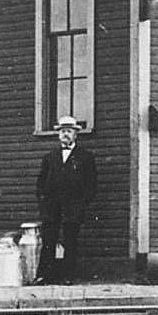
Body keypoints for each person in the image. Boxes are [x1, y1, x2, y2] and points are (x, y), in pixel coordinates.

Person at [35, 115, 97, 284]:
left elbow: (91, 185)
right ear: (58, 135)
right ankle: (44, 275)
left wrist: (81, 204)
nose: (65, 135)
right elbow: (40, 183)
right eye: (63, 131)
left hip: (73, 206)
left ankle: (68, 276)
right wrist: (44, 203)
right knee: (49, 240)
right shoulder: (49, 157)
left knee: (71, 240)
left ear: (76, 134)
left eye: (69, 131)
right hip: (52, 206)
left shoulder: (85, 157)